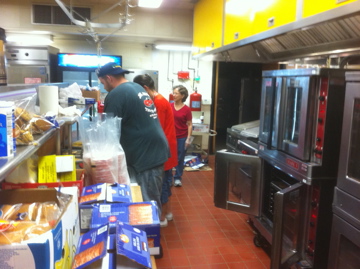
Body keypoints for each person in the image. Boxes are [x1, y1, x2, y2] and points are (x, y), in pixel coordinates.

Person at [97, 62, 169, 218]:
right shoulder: (136, 88)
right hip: (153, 150)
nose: (103, 87)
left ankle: (151, 239)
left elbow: (109, 131)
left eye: (102, 83)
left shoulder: (116, 94)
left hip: (145, 155)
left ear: (109, 78)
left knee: (147, 204)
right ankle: (148, 236)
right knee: (148, 199)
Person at [133, 74, 177, 227]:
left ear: (145, 88)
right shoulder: (160, 100)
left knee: (161, 185)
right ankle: (168, 213)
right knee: (165, 183)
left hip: (162, 152)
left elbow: (155, 129)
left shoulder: (157, 103)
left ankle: (162, 217)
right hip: (166, 148)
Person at [171, 85, 192, 187]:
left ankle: (177, 178)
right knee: (169, 157)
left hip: (182, 137)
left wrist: (188, 138)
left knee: (180, 158)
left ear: (182, 95)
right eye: (173, 93)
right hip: (170, 136)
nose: (173, 95)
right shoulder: (169, 106)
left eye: (176, 93)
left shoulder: (187, 110)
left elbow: (189, 124)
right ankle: (168, 177)